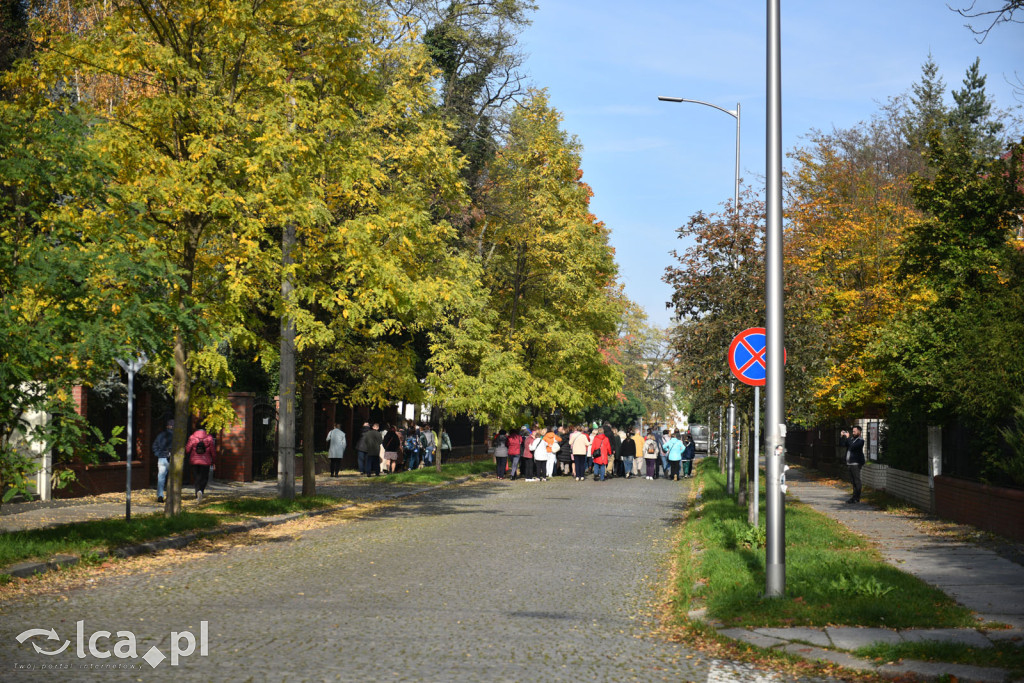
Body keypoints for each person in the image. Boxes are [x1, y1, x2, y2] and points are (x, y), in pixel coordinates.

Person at [186, 425, 215, 501]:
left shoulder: (192, 437)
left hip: (194, 461)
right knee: (204, 477)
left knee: (196, 477)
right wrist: (213, 460)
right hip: (206, 461)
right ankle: (201, 491)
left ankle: (197, 492)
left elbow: (187, 450)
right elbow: (212, 451)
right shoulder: (209, 437)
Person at [840, 425, 865, 503]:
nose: (853, 433)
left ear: (859, 432)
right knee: (853, 481)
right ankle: (854, 497)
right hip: (850, 463)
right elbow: (843, 444)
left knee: (857, 480)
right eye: (852, 431)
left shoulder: (860, 440)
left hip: (856, 463)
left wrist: (847, 438)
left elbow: (852, 446)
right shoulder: (851, 439)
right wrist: (842, 437)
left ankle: (856, 497)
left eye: (854, 431)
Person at [151, 418, 174, 503]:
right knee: (173, 478)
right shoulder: (176, 436)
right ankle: (171, 495)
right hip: (173, 459)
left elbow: (154, 446)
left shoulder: (161, 435)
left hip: (162, 458)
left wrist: (159, 454)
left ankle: (160, 495)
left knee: (161, 478)